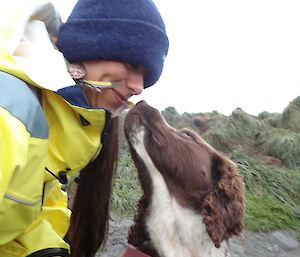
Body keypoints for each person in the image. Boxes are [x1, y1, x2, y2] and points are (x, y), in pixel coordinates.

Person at [0, 0, 169, 256]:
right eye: (133, 65)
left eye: (145, 76)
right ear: (91, 45)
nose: (138, 86)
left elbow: (33, 209)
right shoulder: (12, 113)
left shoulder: (59, 126)